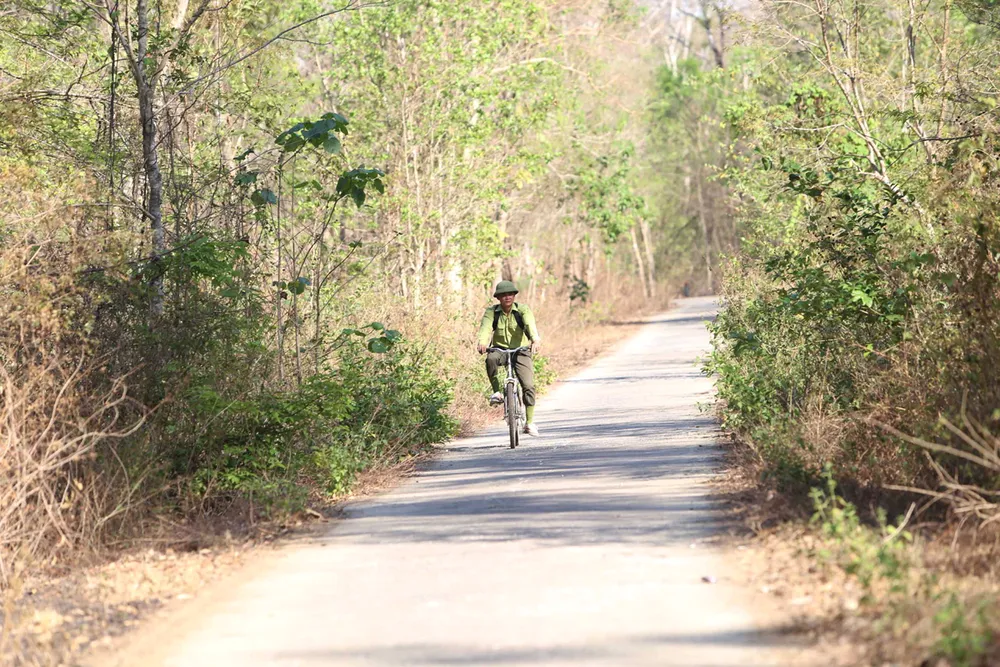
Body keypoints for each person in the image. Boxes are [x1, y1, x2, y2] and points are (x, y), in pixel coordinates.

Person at [476, 280, 541, 437]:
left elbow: (530, 324)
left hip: (521, 350)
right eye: (503, 295)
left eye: (510, 294)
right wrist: (483, 342)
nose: (507, 297)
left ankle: (529, 422)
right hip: (500, 350)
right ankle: (497, 392)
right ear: (498, 298)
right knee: (490, 359)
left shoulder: (522, 310)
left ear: (514, 296)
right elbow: (485, 328)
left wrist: (535, 339)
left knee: (529, 385)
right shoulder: (492, 312)